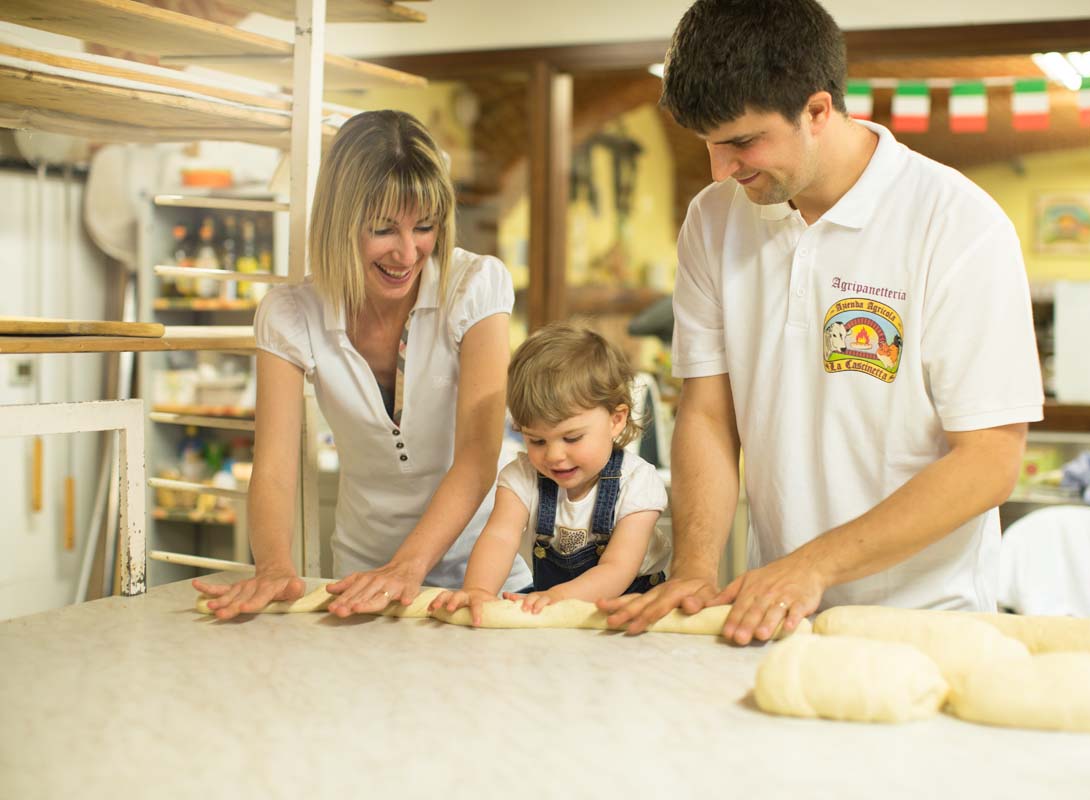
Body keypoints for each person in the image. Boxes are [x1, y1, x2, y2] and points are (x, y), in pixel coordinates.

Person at [600, 0, 1044, 644]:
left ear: (817, 110)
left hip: (928, 621)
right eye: (707, 145)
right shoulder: (714, 219)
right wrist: (695, 569)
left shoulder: (956, 224)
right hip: (775, 615)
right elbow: (708, 411)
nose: (722, 169)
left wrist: (812, 565)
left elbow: (990, 459)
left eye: (742, 142)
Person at [195, 110, 530, 619]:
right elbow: (276, 469)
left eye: (424, 227)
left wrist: (407, 567)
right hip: (358, 583)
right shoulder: (290, 314)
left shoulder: (475, 286)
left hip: (480, 578)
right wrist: (272, 566)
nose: (407, 252)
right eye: (382, 229)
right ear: (339, 223)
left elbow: (478, 457)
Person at [432, 321, 670, 625]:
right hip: (555, 613)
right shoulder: (522, 477)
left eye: (571, 438)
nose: (554, 456)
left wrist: (560, 597)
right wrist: (479, 589)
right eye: (537, 440)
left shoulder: (637, 483)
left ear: (616, 419)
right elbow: (499, 537)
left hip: (629, 617)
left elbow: (618, 568)